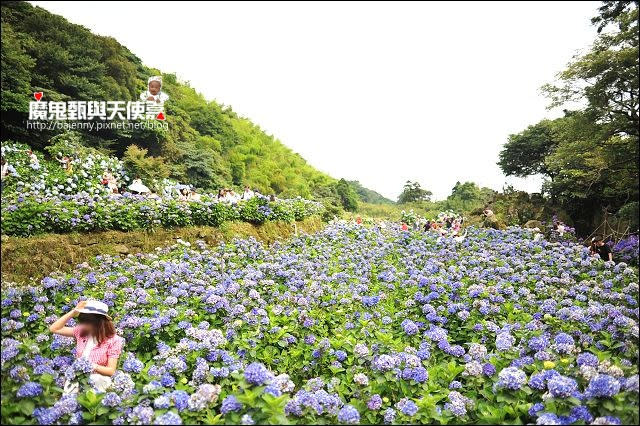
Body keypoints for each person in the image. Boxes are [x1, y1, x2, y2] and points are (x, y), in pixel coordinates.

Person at [48, 300, 123, 394]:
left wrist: (90, 366)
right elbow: (54, 328)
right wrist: (73, 312)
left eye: (86, 321)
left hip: (97, 383)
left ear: (99, 322)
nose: (82, 324)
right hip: (78, 378)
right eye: (81, 320)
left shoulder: (114, 340)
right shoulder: (80, 332)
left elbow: (111, 371)